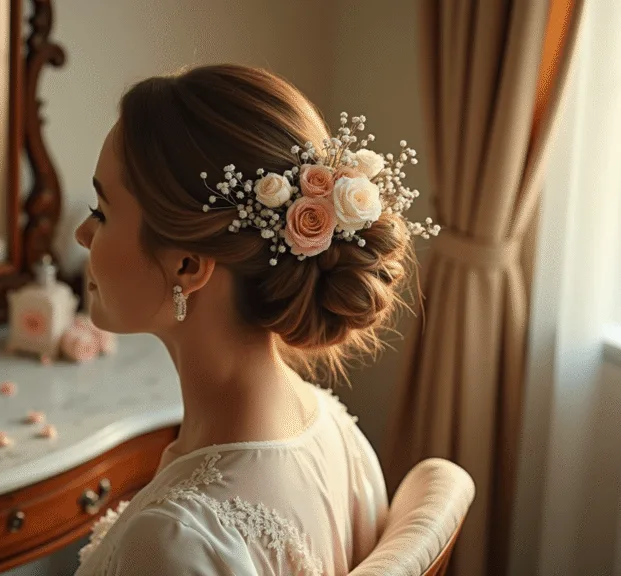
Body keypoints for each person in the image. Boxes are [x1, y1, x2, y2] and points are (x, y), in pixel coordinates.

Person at [72, 64, 438, 575]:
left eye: (102, 212)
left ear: (188, 266)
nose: (82, 234)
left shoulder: (174, 542)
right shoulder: (334, 426)